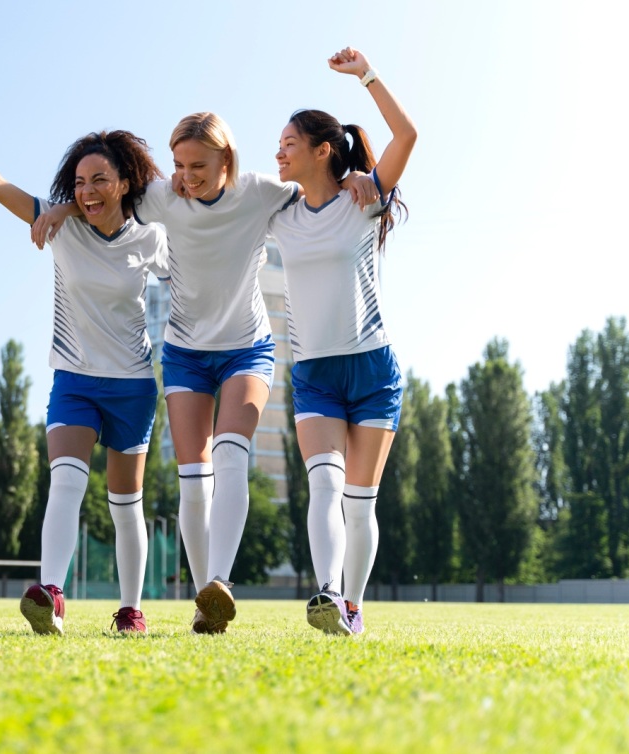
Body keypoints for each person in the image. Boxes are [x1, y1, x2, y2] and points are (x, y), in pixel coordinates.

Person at [34, 115, 377, 634]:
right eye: (178, 165)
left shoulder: (261, 192)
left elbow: (315, 187)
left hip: (247, 349)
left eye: (198, 166)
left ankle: (219, 581)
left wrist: (352, 178)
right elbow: (102, 200)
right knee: (193, 483)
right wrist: (62, 206)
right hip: (186, 354)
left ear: (226, 160)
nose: (186, 177)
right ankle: (205, 604)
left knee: (231, 456)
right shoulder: (159, 198)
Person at [0, 122, 169, 635]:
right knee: (65, 480)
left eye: (99, 180)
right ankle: (51, 594)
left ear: (125, 182)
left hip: (132, 385)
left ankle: (131, 610)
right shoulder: (58, 223)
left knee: (125, 504)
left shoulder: (151, 237)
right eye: (79, 182)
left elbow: (193, 266)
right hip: (74, 380)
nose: (87, 191)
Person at [268, 47, 417, 636]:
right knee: (324, 484)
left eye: (289, 143)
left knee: (360, 500)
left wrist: (367, 75)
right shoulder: (278, 215)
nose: (279, 152)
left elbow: (407, 136)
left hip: (372, 369)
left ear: (322, 150)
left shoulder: (363, 198)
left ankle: (352, 607)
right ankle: (327, 594)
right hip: (314, 372)